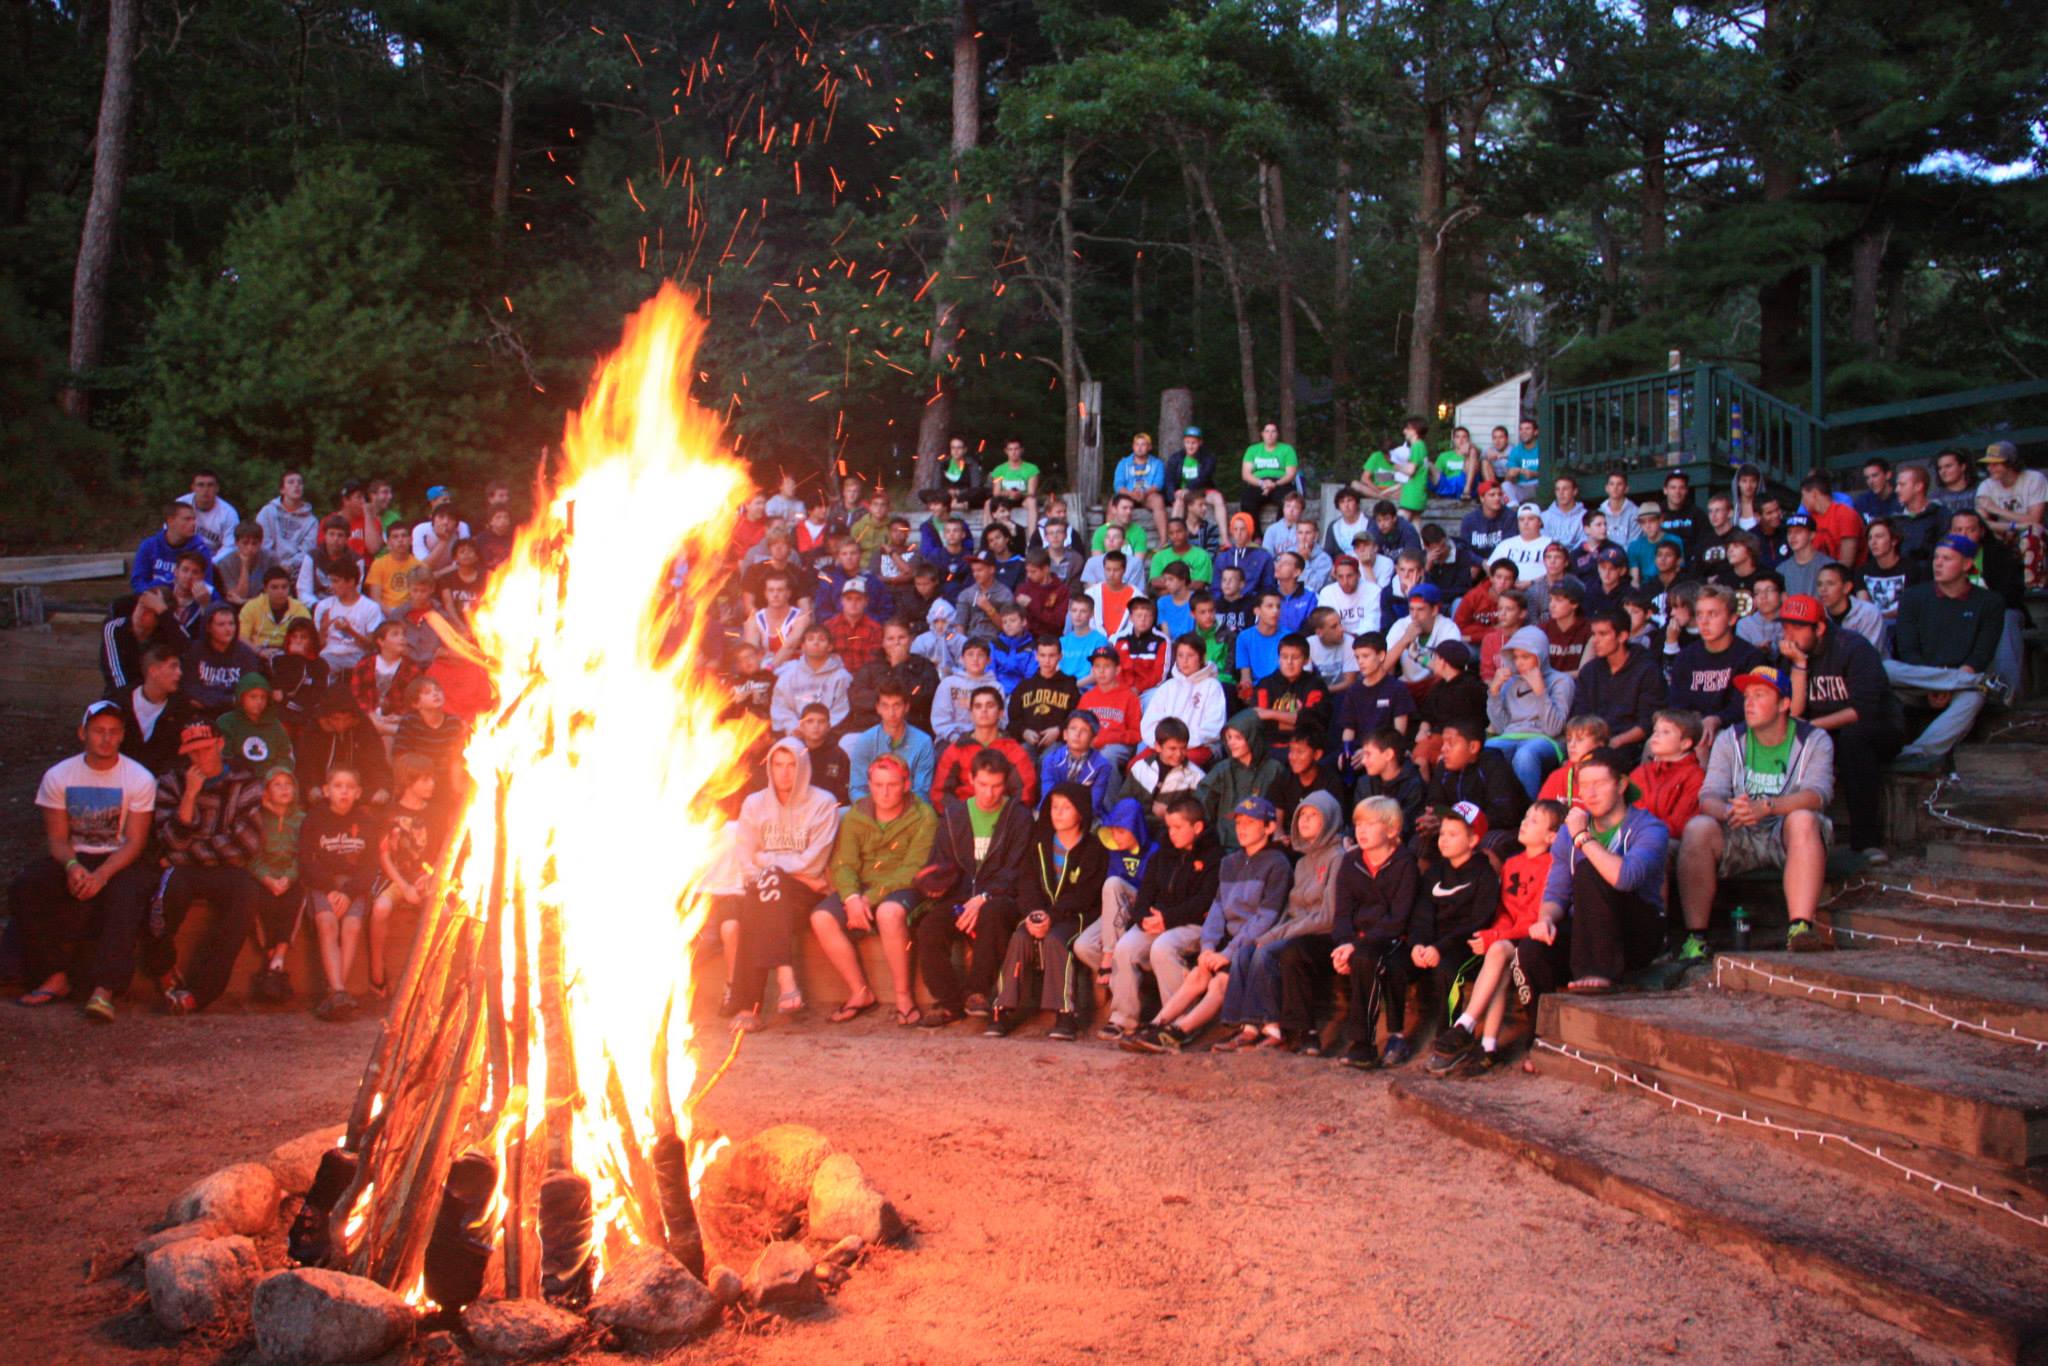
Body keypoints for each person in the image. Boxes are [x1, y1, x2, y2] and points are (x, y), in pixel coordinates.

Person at [12, 702, 159, 1019]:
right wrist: (72, 867)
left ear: (122, 737)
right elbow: (57, 838)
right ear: (83, 734)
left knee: (128, 893)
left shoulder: (139, 778)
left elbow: (135, 841)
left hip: (118, 859)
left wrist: (102, 875)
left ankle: (104, 988)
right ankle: (54, 976)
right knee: (27, 884)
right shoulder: (59, 775)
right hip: (76, 855)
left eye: (114, 732)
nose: (106, 739)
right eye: (98, 731)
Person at [1677, 666, 1836, 954]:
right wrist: (1729, 811)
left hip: (1785, 831)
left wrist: (1768, 807)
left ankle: (1800, 928)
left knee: (1802, 819)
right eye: (1746, 696)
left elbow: (1817, 795)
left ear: (1784, 704)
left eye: (1759, 695)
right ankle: (1696, 938)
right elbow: (1709, 795)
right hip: (1740, 828)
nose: (1748, 703)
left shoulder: (1814, 739)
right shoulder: (1729, 738)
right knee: (1697, 827)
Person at [1122, 796, 1291, 1052]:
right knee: (1198, 976)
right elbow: (1217, 909)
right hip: (1226, 942)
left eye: (1251, 822)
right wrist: (1208, 947)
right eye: (1239, 822)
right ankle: (1158, 1025)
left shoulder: (1277, 864)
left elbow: (1265, 918)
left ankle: (1179, 1032)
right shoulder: (1230, 862)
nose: (1242, 828)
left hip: (1251, 946)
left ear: (1268, 827)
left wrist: (1228, 953)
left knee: (1218, 983)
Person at [1425, 800, 1564, 1075]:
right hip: (1508, 937)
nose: (1524, 822)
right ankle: (1487, 1046)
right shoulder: (1512, 863)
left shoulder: (1552, 865)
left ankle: (1465, 1024)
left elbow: (1536, 918)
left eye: (1534, 821)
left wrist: (1498, 935)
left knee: (1499, 950)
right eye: (1525, 816)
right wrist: (1494, 933)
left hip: (1533, 940)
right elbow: (1502, 910)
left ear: (1552, 836)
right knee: (1497, 956)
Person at [717, 737, 838, 1031]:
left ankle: (749, 1008)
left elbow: (814, 863)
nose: (784, 772)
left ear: (804, 767)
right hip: (765, 887)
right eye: (778, 765)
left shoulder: (823, 803)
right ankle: (786, 979)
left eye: (792, 765)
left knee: (761, 897)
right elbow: (745, 859)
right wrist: (773, 868)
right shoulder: (754, 803)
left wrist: (766, 860)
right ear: (769, 767)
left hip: (804, 893)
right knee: (764, 894)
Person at [1212, 791, 1346, 1051]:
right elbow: (1292, 910)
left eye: (1313, 816)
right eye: (1302, 815)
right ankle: (1248, 1027)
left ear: (1329, 819)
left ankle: (1273, 1028)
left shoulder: (1337, 857)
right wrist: (1269, 935)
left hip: (1322, 934)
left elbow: (1327, 915)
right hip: (1298, 930)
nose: (1304, 821)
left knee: (1267, 953)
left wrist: (1277, 936)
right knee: (1246, 950)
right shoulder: (1303, 861)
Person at [1530, 747, 1672, 992]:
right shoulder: (1568, 831)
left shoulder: (1650, 828)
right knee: (1531, 951)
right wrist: (1545, 920)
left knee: (1589, 870)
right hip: (1585, 932)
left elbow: (1625, 878)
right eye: (1584, 785)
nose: (1590, 794)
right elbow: (1556, 894)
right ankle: (1539, 1029)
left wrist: (1583, 837)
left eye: (1599, 783)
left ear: (1621, 785)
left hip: (1636, 931)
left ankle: (1598, 972)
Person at [810, 754, 937, 1026]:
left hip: (903, 886)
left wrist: (868, 898)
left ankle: (903, 997)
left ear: (906, 784)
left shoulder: (923, 815)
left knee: (889, 913)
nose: (885, 792)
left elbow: (913, 869)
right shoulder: (858, 814)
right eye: (878, 785)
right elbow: (843, 864)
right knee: (821, 917)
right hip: (862, 888)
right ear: (869, 784)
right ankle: (860, 992)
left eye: (892, 784)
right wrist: (852, 897)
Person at [1081, 793, 1218, 1041]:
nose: (1172, 832)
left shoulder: (1213, 857)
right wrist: (1143, 916)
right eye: (1169, 827)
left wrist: (1168, 919)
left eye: (1178, 827)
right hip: (1157, 920)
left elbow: (1205, 901)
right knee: (1124, 947)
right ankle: (1124, 1018)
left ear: (1197, 827)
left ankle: (1179, 1023)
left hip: (1193, 924)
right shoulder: (1163, 852)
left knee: (1163, 948)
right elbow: (1146, 893)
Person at [914, 750, 1036, 1028]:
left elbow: (1018, 869)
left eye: (996, 786)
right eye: (982, 785)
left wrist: (984, 896)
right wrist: (933, 885)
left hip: (1001, 897)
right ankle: (948, 1002)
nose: (989, 793)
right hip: (959, 896)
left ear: (1005, 784)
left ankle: (977, 992)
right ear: (971, 779)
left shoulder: (1018, 816)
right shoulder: (955, 815)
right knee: (930, 927)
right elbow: (941, 861)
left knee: (993, 914)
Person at [1778, 593, 1901, 862]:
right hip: (1823, 728)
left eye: (1796, 627)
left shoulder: (1854, 647)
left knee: (1853, 740)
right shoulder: (1793, 653)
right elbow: (1794, 710)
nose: (1788, 634)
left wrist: (1811, 728)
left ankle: (1866, 842)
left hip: (1877, 727)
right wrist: (1799, 664)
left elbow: (1863, 709)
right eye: (1785, 626)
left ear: (1819, 628)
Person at [986, 783, 1106, 1039]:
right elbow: (1026, 882)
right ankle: (1003, 1007)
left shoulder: (1093, 848)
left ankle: (1065, 1013)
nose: (1058, 813)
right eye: (1054, 807)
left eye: (1066, 808)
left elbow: (1085, 895)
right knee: (1020, 937)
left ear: (1081, 813)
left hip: (1075, 918)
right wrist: (1032, 913)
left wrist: (1052, 916)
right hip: (1038, 914)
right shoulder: (1039, 844)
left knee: (1056, 940)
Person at [1886, 534, 2007, 772]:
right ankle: (1980, 683)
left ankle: (1918, 752)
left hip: (1961, 683)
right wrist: (1937, 684)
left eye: (1947, 559)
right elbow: (1908, 650)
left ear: (1967, 564)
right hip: (1918, 680)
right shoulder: (1913, 597)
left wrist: (1950, 685)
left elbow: (1980, 654)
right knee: (1884, 669)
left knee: (1974, 697)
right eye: (1936, 558)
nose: (1938, 564)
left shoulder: (1990, 602)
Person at [1393, 802, 1500, 1066]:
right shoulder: (1435, 872)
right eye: (1442, 833)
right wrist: (1418, 944)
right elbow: (1422, 914)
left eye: (1453, 834)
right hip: (1430, 945)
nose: (1444, 840)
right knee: (1393, 964)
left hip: (1464, 947)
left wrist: (1439, 947)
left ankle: (1449, 1040)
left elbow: (1479, 920)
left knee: (1449, 971)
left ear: (1473, 839)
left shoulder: (1484, 874)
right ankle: (1395, 1036)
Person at [297, 765, 380, 1020]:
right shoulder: (314, 819)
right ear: (326, 790)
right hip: (323, 882)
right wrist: (332, 889)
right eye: (338, 786)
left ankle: (335, 993)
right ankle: (339, 992)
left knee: (352, 924)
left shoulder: (365, 821)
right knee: (327, 921)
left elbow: (370, 866)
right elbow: (306, 861)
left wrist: (347, 891)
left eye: (349, 787)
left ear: (358, 793)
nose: (343, 791)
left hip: (354, 885)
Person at [1665, 586, 1763, 759]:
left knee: (1712, 741)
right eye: (1700, 614)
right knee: (1654, 744)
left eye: (1713, 614)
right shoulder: (1686, 657)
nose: (1704, 621)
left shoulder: (1750, 657)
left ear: (1732, 618)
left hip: (1732, 731)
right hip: (1690, 728)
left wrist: (1717, 719)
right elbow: (1677, 704)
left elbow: (1744, 707)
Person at [1418, 717, 1525, 866]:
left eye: (1451, 744)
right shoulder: (1443, 768)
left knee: (1489, 845)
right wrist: (1435, 818)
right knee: (1422, 839)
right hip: (1457, 828)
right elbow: (1434, 802)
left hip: (1501, 830)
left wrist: (1460, 823)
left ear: (1473, 747)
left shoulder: (1494, 766)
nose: (1443, 749)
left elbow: (1504, 814)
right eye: (1443, 743)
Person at [1485, 626, 1576, 798]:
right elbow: (1501, 726)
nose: (1519, 662)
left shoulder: (1561, 681)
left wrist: (1540, 691)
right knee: (1487, 750)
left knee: (1525, 755)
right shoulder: (1510, 682)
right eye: (1516, 657)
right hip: (1511, 736)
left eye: (1525, 657)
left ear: (1540, 655)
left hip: (1546, 739)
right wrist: (1495, 691)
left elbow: (1554, 729)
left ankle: (1530, 812)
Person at [1570, 608, 1664, 760]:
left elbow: (1648, 722)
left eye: (1603, 634)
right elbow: (1580, 715)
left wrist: (1617, 741)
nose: (1595, 640)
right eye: (1594, 634)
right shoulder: (1590, 671)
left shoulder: (1647, 670)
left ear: (1622, 636)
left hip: (1630, 745)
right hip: (1591, 742)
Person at [933, 686, 1037, 802]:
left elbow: (1025, 794)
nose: (984, 710)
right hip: (962, 814)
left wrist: (1008, 817)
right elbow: (940, 793)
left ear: (1000, 713)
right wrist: (958, 815)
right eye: (978, 706)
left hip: (1004, 815)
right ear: (971, 714)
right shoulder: (956, 750)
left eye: (990, 705)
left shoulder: (1014, 751)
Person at [840, 682, 937, 802]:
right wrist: (877, 811)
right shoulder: (865, 741)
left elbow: (922, 792)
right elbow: (857, 789)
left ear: (906, 707)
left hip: (909, 811)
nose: (891, 713)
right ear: (878, 708)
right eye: (885, 706)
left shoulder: (923, 742)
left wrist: (896, 812)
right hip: (872, 810)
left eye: (897, 706)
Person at [112, 643, 195, 774]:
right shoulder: (119, 703)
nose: (179, 673)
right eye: (173, 667)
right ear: (153, 671)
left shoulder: (181, 708)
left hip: (161, 784)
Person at [1140, 635, 1227, 760]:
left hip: (1197, 746)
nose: (1184, 661)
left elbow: (1212, 727)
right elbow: (1150, 722)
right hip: (1163, 746)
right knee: (1135, 766)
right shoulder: (1168, 686)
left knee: (1177, 767)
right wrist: (1165, 745)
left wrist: (1179, 744)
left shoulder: (1212, 686)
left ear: (1202, 658)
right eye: (1180, 656)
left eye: (1190, 655)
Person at [1975, 440, 2048, 588]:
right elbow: (1981, 524)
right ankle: (1981, 588)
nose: (1990, 468)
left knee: (2031, 535)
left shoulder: (2034, 479)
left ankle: (2033, 588)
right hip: (2002, 533)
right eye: (1988, 464)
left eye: (1996, 464)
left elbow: (2035, 520)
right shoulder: (1986, 485)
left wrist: (1996, 510)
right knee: (1974, 537)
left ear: (2011, 463)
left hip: (2035, 533)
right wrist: (2012, 526)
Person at [846, 620, 940, 734]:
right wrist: (887, 701)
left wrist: (898, 667)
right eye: (890, 639)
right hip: (871, 728)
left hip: (911, 728)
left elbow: (921, 696)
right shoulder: (871, 667)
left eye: (902, 638)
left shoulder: (924, 665)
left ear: (911, 640)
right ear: (883, 642)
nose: (897, 643)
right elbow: (857, 697)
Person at [1630, 710, 1706, 850]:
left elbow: (1680, 825)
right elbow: (1627, 812)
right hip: (1634, 838)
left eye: (1665, 732)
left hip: (1669, 842)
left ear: (1685, 744)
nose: (1656, 736)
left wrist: (1643, 832)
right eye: (1655, 731)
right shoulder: (1642, 772)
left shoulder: (1695, 776)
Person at [770, 624, 852, 734]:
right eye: (810, 639)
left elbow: (841, 710)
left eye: (821, 639)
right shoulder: (789, 674)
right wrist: (794, 727)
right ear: (803, 646)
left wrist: (820, 730)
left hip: (829, 734)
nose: (816, 642)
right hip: (796, 733)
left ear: (830, 647)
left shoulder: (841, 676)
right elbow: (781, 707)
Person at [132, 500, 221, 597]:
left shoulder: (200, 550)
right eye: (187, 519)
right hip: (154, 598)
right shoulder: (149, 546)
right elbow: (138, 582)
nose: (193, 523)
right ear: (170, 521)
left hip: (187, 601)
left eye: (194, 519)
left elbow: (206, 585)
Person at [217, 672, 292, 776]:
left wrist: (274, 774)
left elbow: (286, 756)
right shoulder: (227, 722)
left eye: (263, 697)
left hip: (269, 778)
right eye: (253, 697)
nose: (259, 701)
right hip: (237, 777)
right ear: (241, 697)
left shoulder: (274, 724)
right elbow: (223, 756)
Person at [1077, 647, 1141, 769]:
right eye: (1097, 666)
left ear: (1117, 670)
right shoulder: (1087, 698)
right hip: (1091, 744)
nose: (1101, 671)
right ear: (1092, 670)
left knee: (1106, 756)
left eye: (1107, 666)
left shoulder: (1129, 697)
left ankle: (1110, 789)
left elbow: (1136, 734)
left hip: (1118, 745)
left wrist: (1109, 737)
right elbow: (1079, 727)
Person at [745, 569, 811, 676]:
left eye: (780, 590)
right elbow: (750, 652)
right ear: (765, 594)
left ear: (788, 594)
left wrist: (770, 669)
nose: (775, 595)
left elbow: (789, 647)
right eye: (771, 590)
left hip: (794, 669)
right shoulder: (755, 620)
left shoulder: (801, 618)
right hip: (767, 668)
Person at [238, 567, 311, 661]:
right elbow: (241, 637)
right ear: (265, 589)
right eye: (274, 587)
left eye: (284, 587)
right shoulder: (252, 606)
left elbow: (307, 638)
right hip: (256, 653)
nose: (280, 592)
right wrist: (259, 651)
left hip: (288, 655)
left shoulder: (299, 608)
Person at [1240, 422, 1300, 524]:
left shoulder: (1287, 449)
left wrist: (1274, 484)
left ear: (1277, 434)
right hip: (1258, 483)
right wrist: (1262, 484)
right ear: (1262, 434)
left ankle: (1280, 532)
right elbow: (1246, 474)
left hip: (1281, 483)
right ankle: (1257, 536)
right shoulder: (1252, 450)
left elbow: (1291, 474)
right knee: (1247, 501)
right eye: (1267, 431)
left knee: (1289, 502)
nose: (1270, 434)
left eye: (1273, 431)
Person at [1892, 463, 1945, 567]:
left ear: (1918, 486)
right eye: (1897, 485)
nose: (1896, 490)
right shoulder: (1895, 519)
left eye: (1902, 485)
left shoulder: (1940, 515)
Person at [1540, 579, 1592, 676]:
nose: (1552, 605)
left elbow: (1584, 672)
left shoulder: (1588, 630)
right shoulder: (1542, 629)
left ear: (1575, 604)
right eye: (1551, 599)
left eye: (1558, 600)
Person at [1498, 503, 1554, 584]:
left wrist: (1531, 583)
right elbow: (1491, 567)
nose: (1526, 522)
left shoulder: (1550, 544)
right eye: (1521, 519)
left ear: (1540, 522)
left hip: (1541, 588)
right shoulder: (1505, 544)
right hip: (1509, 588)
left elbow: (1558, 571)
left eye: (1531, 519)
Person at [1736, 570, 1786, 655]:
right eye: (1757, 593)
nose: (1763, 596)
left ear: (1782, 596)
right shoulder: (1745, 625)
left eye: (1769, 590)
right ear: (1753, 600)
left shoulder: (1791, 623)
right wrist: (1755, 652)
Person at [1598, 470, 1642, 548]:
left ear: (1626, 489)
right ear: (1607, 488)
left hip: (1627, 558)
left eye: (1619, 484)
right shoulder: (1599, 513)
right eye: (1612, 484)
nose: (1615, 488)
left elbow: (1634, 544)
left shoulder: (1636, 512)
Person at [1542, 475, 1587, 550]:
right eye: (1557, 489)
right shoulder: (1544, 517)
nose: (1561, 493)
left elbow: (1585, 542)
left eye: (1565, 489)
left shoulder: (1585, 516)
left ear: (1574, 491)